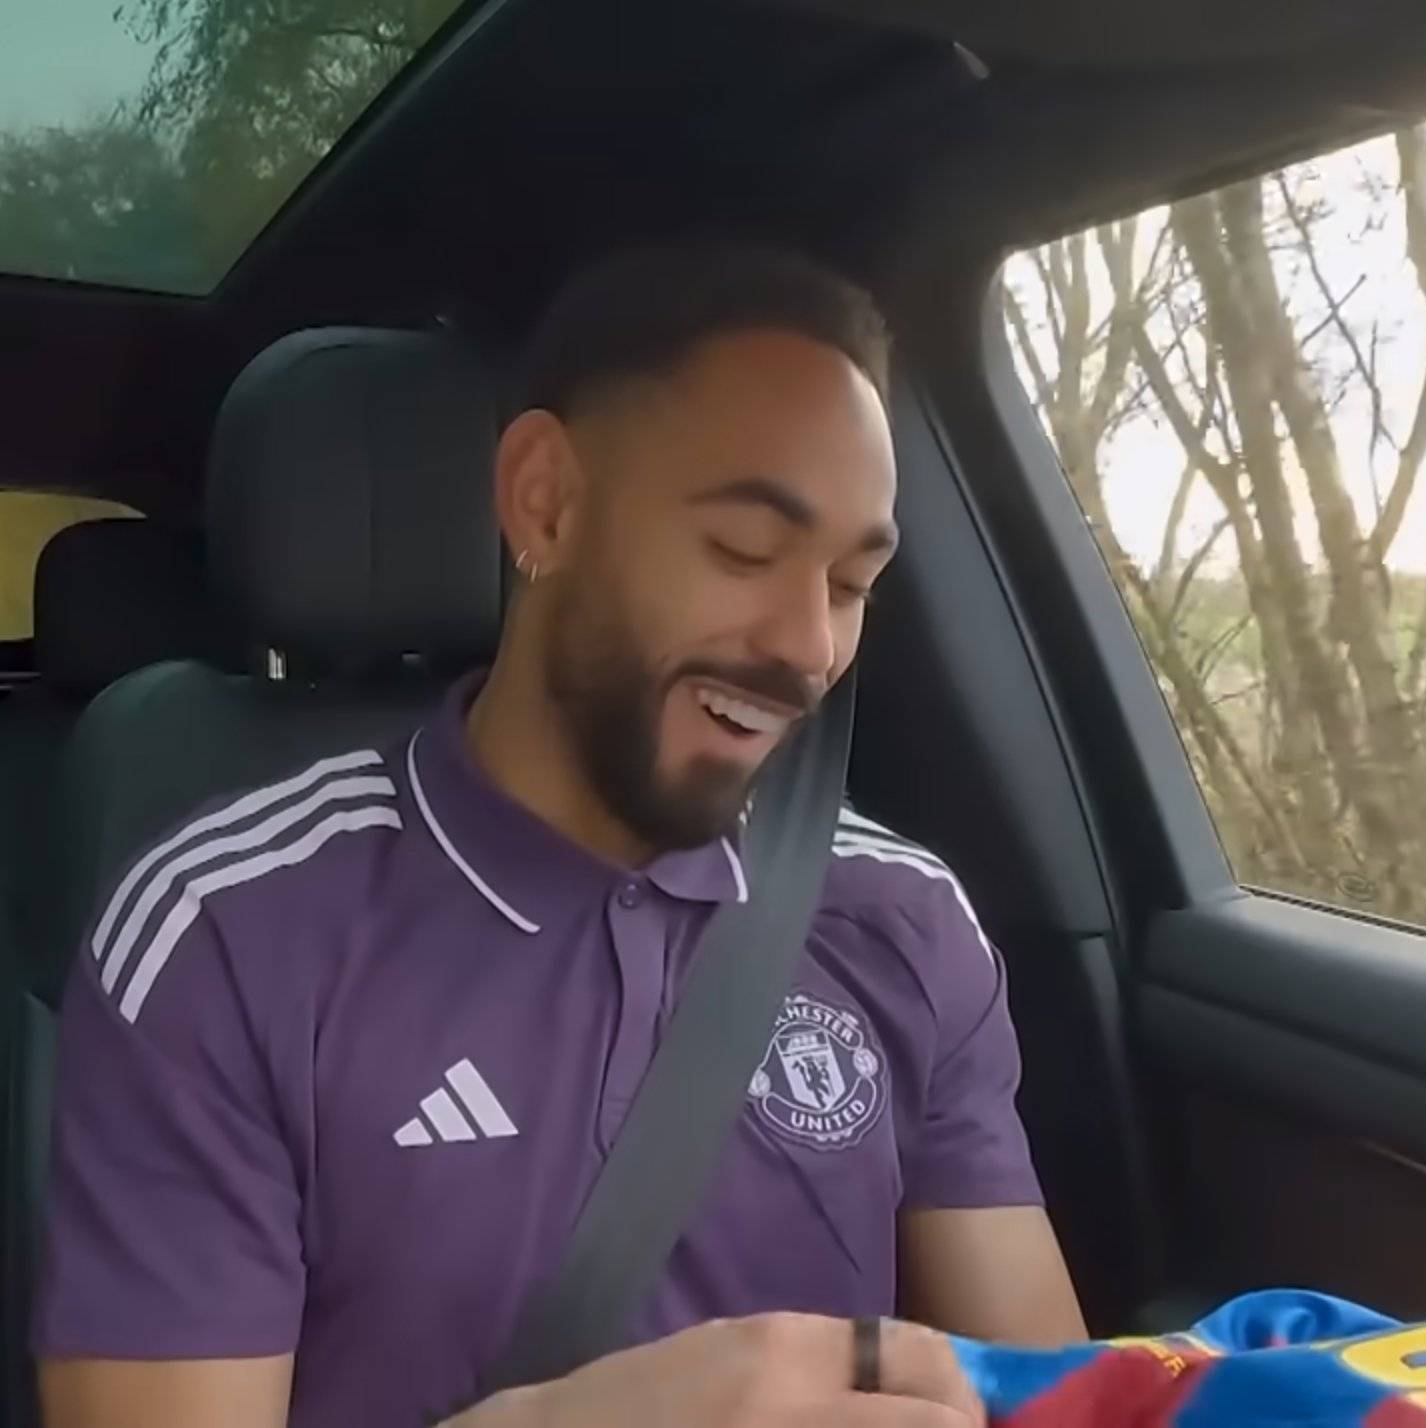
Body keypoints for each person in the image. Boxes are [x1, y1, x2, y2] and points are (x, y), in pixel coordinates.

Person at [33, 242, 1086, 1427]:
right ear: (547, 501)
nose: (808, 647)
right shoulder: (224, 933)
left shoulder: (906, 920)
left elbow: (1053, 1400)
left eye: (849, 585)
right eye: (743, 551)